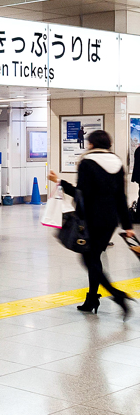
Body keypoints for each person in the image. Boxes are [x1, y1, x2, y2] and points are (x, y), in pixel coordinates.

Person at [49, 129, 135, 316]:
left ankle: (117, 296)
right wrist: (127, 225)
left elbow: (82, 194)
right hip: (110, 220)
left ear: (92, 144)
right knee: (94, 257)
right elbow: (121, 196)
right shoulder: (117, 163)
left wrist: (59, 181)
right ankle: (91, 299)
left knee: (89, 259)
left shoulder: (87, 163)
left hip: (92, 219)